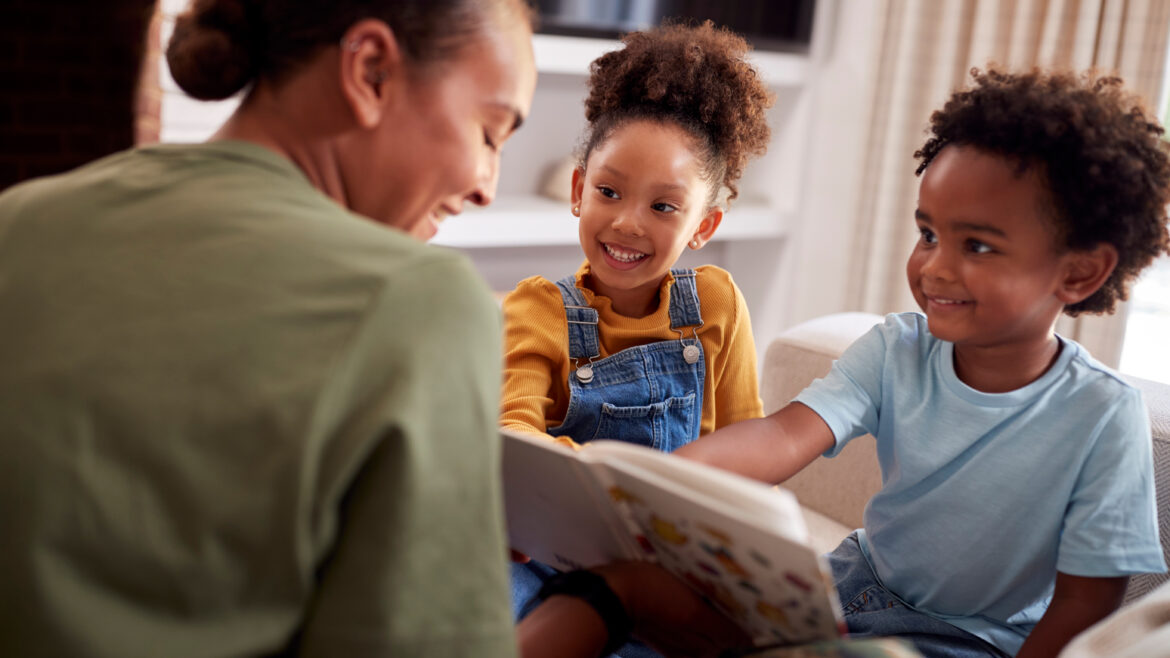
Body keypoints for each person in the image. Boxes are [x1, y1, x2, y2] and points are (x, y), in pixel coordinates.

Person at [0, 1, 745, 657]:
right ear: (370, 71)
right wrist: (620, 597)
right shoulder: (418, 301)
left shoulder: (20, 220)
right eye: (489, 132)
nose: (487, 185)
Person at [675, 68, 1170, 658]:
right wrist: (660, 477)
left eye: (978, 245)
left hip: (966, 642)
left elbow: (1086, 601)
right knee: (633, 589)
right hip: (850, 585)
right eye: (928, 233)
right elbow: (785, 435)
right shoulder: (896, 350)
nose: (933, 267)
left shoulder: (1103, 415)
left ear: (1080, 271)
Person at [501, 22, 773, 654]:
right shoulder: (538, 307)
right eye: (608, 191)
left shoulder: (715, 303)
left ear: (704, 225)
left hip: (677, 565)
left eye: (663, 206)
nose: (626, 222)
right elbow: (512, 430)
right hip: (551, 560)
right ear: (577, 190)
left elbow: (749, 445)